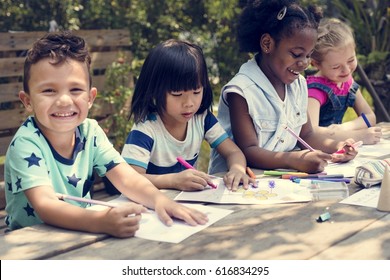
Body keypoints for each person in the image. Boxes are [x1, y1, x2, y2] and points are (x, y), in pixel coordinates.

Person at [4, 32, 208, 238]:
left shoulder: (90, 131)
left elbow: (127, 178)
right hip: (34, 240)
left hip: (78, 232)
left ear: (90, 97)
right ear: (28, 101)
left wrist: (159, 200)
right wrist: (100, 222)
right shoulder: (27, 143)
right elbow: (46, 204)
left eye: (75, 89)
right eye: (49, 91)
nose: (64, 100)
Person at [209, 0, 358, 175]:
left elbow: (307, 134)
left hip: (279, 182)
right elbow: (248, 151)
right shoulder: (241, 91)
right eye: (296, 54)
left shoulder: (299, 84)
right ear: (267, 44)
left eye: (309, 55)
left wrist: (337, 148)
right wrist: (293, 160)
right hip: (238, 186)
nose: (303, 63)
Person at [121, 39, 255, 192]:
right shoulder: (146, 129)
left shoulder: (202, 119)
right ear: (154, 92)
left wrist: (237, 170)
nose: (189, 103)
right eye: (177, 94)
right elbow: (130, 178)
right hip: (152, 206)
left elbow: (233, 152)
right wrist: (173, 180)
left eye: (196, 92)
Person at [307, 18, 382, 144]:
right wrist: (359, 136)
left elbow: (370, 117)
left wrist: (344, 128)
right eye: (336, 67)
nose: (346, 70)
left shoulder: (348, 83)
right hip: (318, 149)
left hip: (339, 144)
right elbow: (311, 133)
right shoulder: (315, 91)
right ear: (316, 64)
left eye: (351, 60)